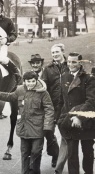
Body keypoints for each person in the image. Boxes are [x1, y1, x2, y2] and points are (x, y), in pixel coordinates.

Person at [0, 71, 55, 174]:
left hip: (38, 128)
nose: (30, 83)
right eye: (28, 81)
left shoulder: (43, 92)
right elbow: (11, 97)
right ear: (24, 81)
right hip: (24, 127)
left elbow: (49, 109)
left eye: (32, 81)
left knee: (36, 152)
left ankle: (34, 172)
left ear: (36, 80)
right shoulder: (20, 90)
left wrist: (47, 126)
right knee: (25, 152)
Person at [58, 52, 95, 174]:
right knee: (72, 153)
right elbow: (62, 100)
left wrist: (79, 117)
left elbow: (91, 102)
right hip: (69, 120)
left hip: (87, 121)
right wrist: (59, 118)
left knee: (88, 151)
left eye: (74, 62)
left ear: (80, 63)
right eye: (68, 61)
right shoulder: (64, 76)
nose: (70, 64)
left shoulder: (89, 78)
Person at [28, 53, 59, 168]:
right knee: (34, 137)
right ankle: (34, 165)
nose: (35, 65)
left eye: (37, 63)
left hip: (46, 107)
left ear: (41, 63)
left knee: (48, 133)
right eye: (33, 63)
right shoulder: (28, 75)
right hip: (34, 110)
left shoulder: (48, 73)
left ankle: (55, 154)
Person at [42, 43, 68, 173]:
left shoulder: (71, 65)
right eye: (53, 53)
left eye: (57, 52)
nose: (55, 55)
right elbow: (43, 86)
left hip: (67, 106)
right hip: (52, 105)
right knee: (48, 131)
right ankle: (55, 154)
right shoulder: (48, 69)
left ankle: (60, 163)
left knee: (66, 135)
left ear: (63, 52)